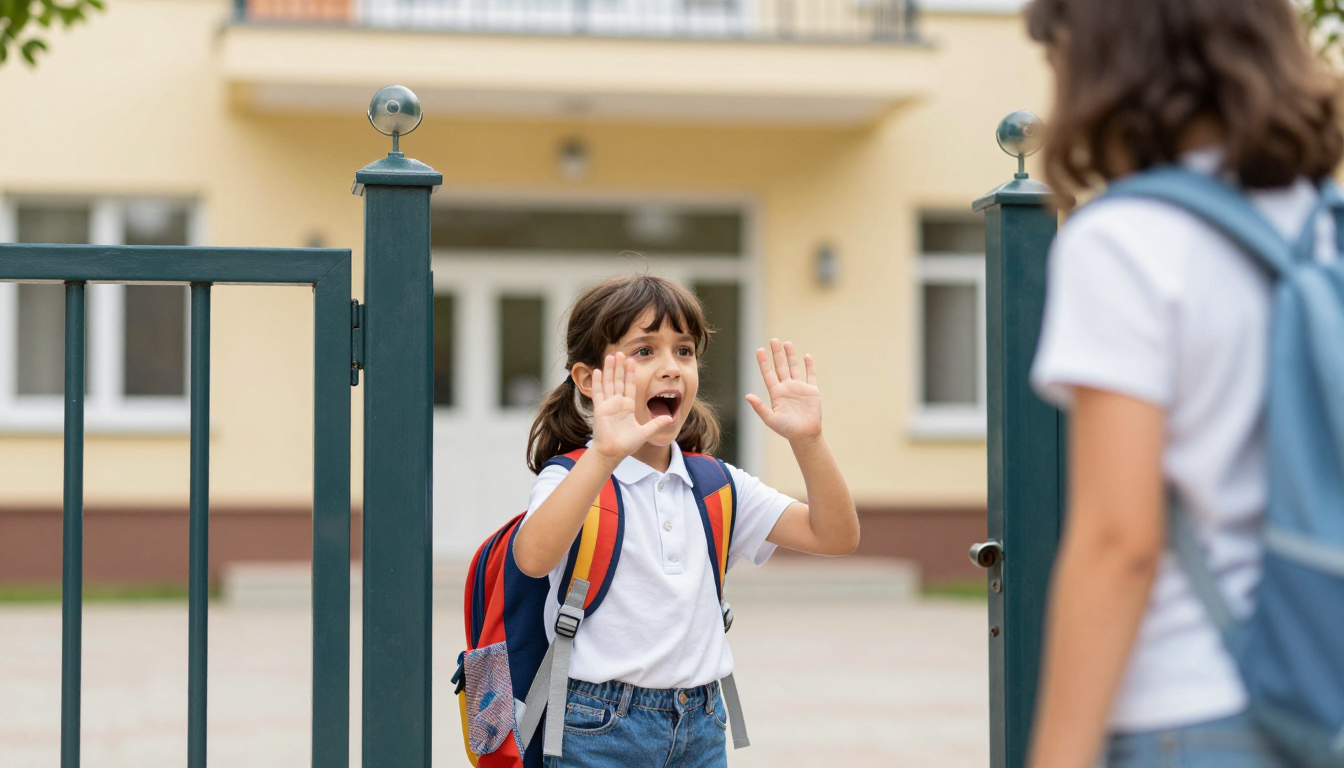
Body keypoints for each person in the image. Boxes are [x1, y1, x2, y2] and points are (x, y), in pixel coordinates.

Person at [1022, 0, 1344, 766]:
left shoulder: (1125, 241)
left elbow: (1119, 539)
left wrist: (1057, 752)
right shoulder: (1325, 226)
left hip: (1190, 709)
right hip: (1320, 692)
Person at [510, 273, 859, 768]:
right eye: (644, 351)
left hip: (701, 721)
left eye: (684, 351)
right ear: (588, 379)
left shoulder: (715, 484)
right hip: (595, 725)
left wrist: (808, 440)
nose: (672, 367)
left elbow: (836, 535)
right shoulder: (573, 477)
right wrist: (605, 454)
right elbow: (532, 557)